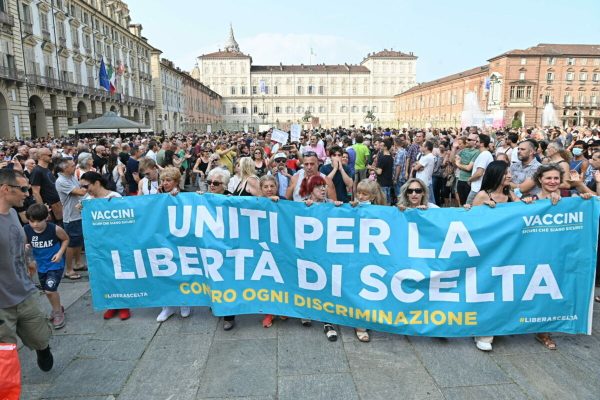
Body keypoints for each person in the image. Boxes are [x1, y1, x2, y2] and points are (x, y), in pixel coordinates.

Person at [525, 163, 593, 350]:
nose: (553, 182)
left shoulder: (569, 198)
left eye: (556, 178)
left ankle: (544, 331)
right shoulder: (530, 199)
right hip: (534, 253)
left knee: (553, 290)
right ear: (540, 179)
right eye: (548, 178)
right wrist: (528, 205)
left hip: (560, 253)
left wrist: (582, 189)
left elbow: (595, 203)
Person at [0, 169, 53, 372]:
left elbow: (21, 243)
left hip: (25, 292)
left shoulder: (13, 213)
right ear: (5, 189)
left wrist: (29, 260)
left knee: (40, 337)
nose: (27, 193)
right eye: (22, 189)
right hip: (2, 304)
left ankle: (42, 349)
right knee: (6, 354)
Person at [468, 161, 520, 351]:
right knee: (485, 287)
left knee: (501, 288)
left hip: (508, 252)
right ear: (496, 174)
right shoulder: (483, 195)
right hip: (486, 252)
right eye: (506, 173)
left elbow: (525, 214)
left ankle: (494, 324)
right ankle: (482, 330)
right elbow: (470, 223)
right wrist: (483, 210)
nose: (510, 176)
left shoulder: (510, 195)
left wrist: (528, 203)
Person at [79, 171, 131, 321]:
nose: (84, 189)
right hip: (99, 244)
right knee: (105, 273)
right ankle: (112, 303)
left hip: (116, 242)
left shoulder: (114, 197)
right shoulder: (88, 200)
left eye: (86, 186)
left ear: (96, 183)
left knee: (120, 272)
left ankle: (124, 304)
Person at [302, 175, 342, 341]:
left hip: (327, 252)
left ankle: (327, 321)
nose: (323, 190)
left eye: (324, 187)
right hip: (309, 252)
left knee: (326, 283)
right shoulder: (303, 205)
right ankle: (306, 310)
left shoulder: (331, 205)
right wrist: (304, 209)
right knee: (309, 280)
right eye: (318, 187)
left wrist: (348, 207)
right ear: (311, 190)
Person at [349, 179, 387, 342]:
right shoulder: (352, 207)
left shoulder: (382, 210)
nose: (361, 196)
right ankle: (360, 324)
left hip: (374, 256)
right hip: (356, 255)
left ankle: (368, 319)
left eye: (364, 194)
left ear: (372, 196)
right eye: (359, 192)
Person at [154, 167, 191, 322]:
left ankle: (185, 302)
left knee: (181, 268)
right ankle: (167, 306)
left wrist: (177, 197)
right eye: (163, 180)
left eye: (168, 180)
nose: (165, 183)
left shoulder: (183, 195)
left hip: (179, 239)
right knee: (163, 270)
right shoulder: (158, 195)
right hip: (161, 238)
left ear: (176, 181)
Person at [24, 203, 69, 329]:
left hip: (55, 264)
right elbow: (24, 242)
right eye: (32, 221)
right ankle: (57, 308)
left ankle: (58, 313)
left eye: (39, 221)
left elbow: (66, 239)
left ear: (46, 218)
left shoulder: (54, 229)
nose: (35, 224)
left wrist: (60, 253)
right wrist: (25, 246)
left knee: (50, 290)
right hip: (41, 266)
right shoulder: (26, 229)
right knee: (47, 291)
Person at [54, 158, 87, 280]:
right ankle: (68, 270)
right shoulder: (61, 181)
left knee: (78, 241)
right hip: (71, 217)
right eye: (72, 166)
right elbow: (80, 192)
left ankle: (78, 263)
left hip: (78, 214)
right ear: (64, 168)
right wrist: (87, 188)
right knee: (71, 244)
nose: (75, 167)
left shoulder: (71, 176)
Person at [30, 147, 63, 225]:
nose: (51, 156)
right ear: (41, 156)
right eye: (49, 155)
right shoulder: (37, 171)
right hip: (49, 207)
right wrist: (43, 210)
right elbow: (35, 192)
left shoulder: (47, 169)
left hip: (57, 206)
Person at [466, 134, 494, 204]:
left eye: (477, 141)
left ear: (482, 144)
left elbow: (479, 173)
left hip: (477, 189)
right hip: (479, 188)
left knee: (468, 208)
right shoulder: (484, 154)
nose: (475, 143)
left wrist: (469, 179)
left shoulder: (484, 155)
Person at [455, 132, 480, 205]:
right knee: (462, 203)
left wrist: (458, 164)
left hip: (469, 181)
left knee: (468, 205)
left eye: (469, 139)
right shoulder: (464, 150)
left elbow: (469, 168)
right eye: (467, 139)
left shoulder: (477, 152)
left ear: (475, 141)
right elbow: (453, 160)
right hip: (460, 179)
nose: (466, 141)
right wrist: (453, 148)